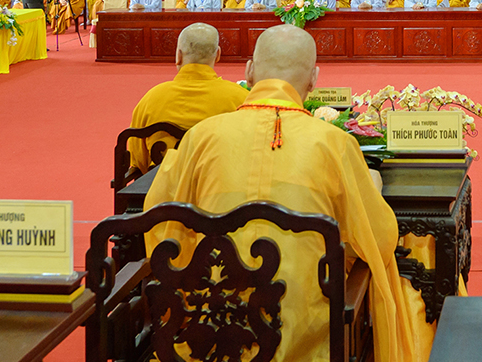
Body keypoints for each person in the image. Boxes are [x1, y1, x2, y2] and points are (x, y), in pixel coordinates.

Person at [142, 24, 432, 362]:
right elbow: (379, 240)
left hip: (211, 334)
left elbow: (160, 225)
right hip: (307, 339)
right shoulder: (334, 144)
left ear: (249, 71)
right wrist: (373, 188)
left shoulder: (200, 137)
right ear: (313, 79)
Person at [127, 23, 247, 173]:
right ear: (218, 55)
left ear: (178, 55)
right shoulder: (241, 99)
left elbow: (139, 162)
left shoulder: (150, 100)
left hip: (165, 186)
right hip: (218, 185)